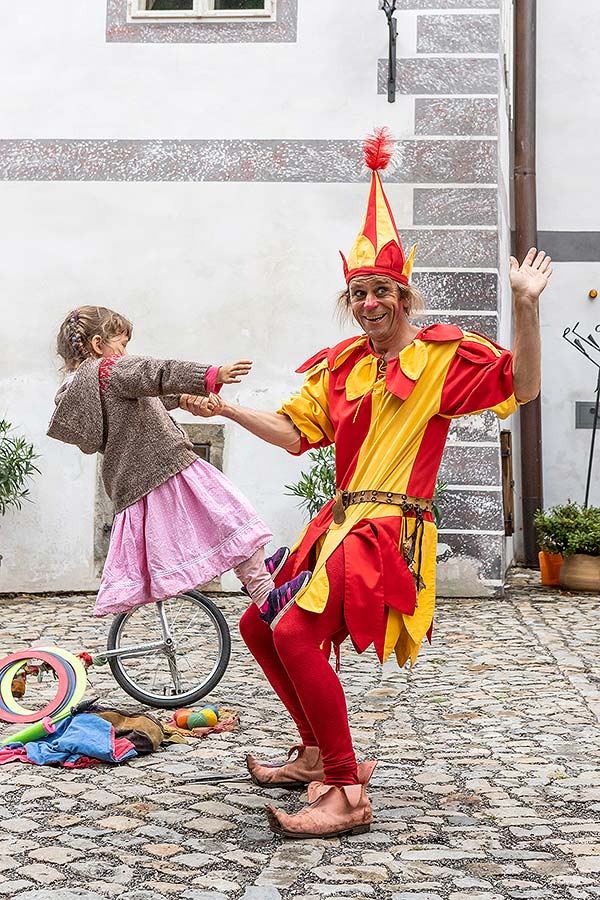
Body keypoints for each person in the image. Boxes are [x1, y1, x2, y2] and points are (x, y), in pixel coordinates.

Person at [182, 127, 552, 839]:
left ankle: (346, 793)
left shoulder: (446, 357)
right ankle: (318, 751)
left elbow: (525, 385)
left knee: (291, 633)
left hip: (389, 528)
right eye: (357, 292)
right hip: (341, 520)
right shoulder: (343, 365)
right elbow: (295, 434)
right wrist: (225, 406)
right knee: (261, 626)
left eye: (380, 290)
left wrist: (528, 307)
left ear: (404, 295)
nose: (368, 303)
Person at [47, 305, 311, 621]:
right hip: (168, 466)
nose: (126, 353)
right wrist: (211, 375)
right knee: (234, 516)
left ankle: (256, 572)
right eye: (122, 345)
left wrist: (185, 399)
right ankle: (268, 598)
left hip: (143, 478)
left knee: (229, 519)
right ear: (98, 345)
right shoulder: (109, 371)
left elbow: (142, 397)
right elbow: (155, 373)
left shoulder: (88, 388)